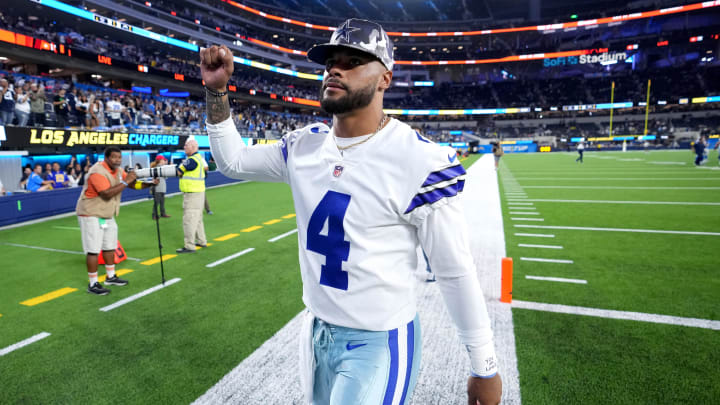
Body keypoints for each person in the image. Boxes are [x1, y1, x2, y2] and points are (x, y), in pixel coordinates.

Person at [201, 18, 501, 405]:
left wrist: (484, 365)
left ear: (385, 79)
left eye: (353, 61)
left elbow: (454, 271)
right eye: (330, 62)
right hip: (316, 333)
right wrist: (217, 93)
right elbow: (233, 162)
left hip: (378, 341)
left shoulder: (419, 160)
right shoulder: (304, 147)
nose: (335, 69)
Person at [76, 146, 157, 295]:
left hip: (106, 214)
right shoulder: (97, 172)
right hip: (90, 213)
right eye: (114, 157)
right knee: (93, 250)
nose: (117, 160)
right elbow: (106, 194)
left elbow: (132, 183)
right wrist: (126, 182)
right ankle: (93, 283)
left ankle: (110, 276)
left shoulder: (119, 171)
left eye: (119, 157)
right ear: (106, 158)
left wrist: (148, 184)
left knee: (110, 245)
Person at [175, 138, 208, 253]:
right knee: (198, 219)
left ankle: (189, 246)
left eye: (186, 145)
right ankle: (202, 241)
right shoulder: (199, 159)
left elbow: (178, 172)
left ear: (193, 147)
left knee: (189, 220)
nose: (184, 147)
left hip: (192, 194)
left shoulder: (191, 160)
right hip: (199, 193)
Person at [150, 155, 170, 220]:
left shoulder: (161, 168)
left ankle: (162, 213)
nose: (164, 161)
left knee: (161, 202)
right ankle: (154, 215)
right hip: (157, 188)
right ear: (160, 160)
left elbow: (165, 177)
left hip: (161, 187)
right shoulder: (158, 168)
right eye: (163, 160)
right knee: (157, 202)